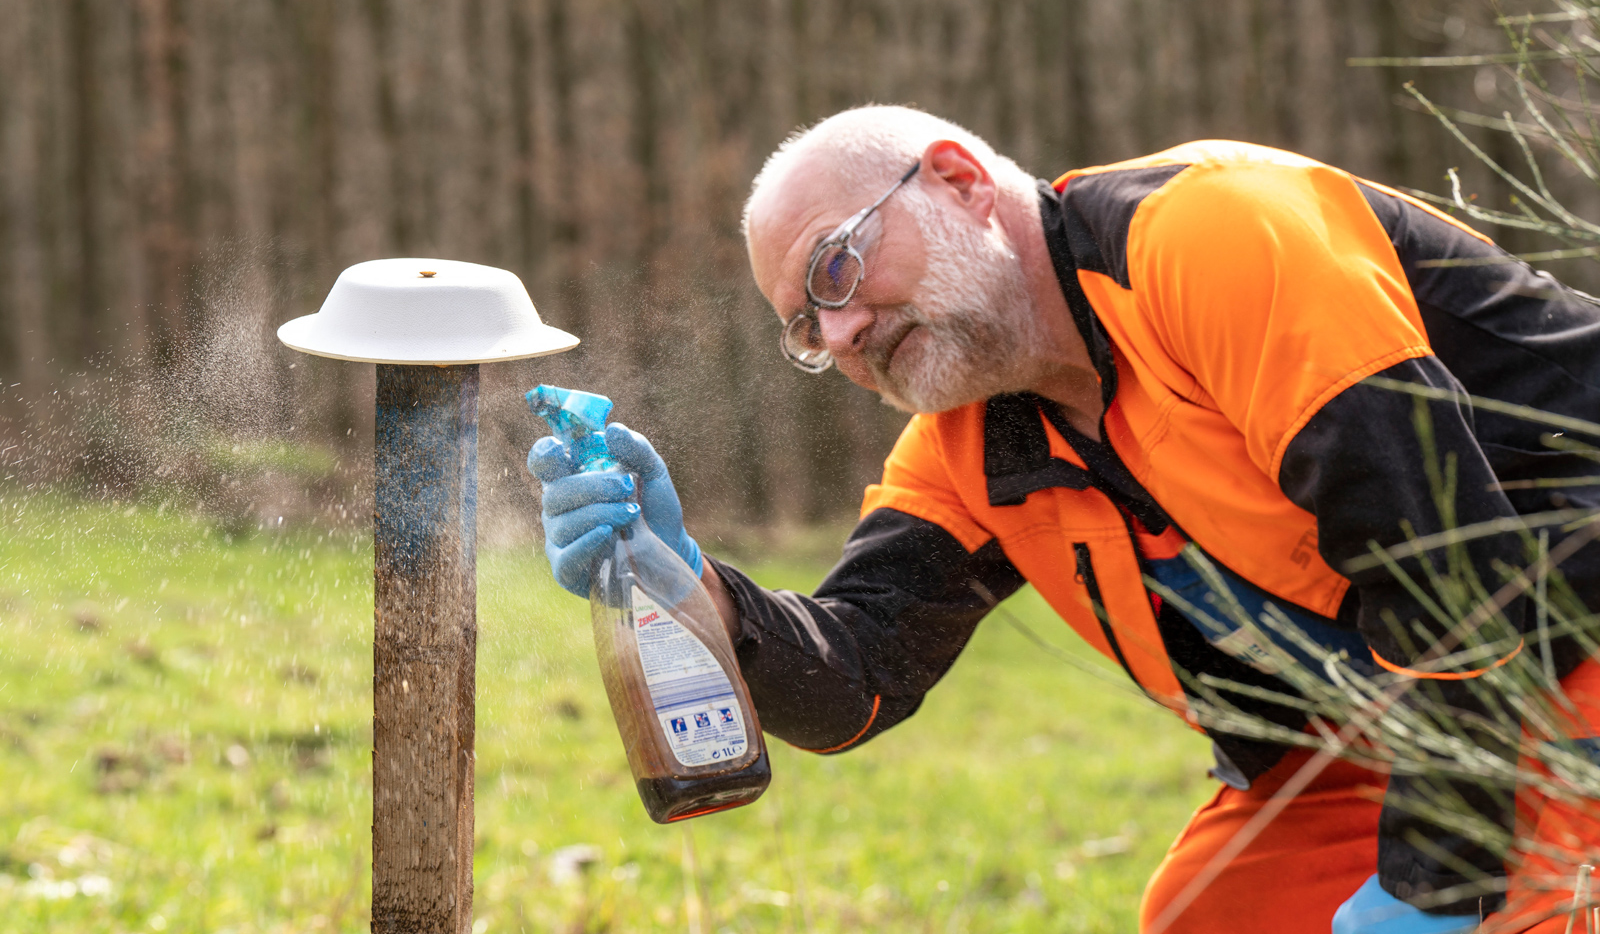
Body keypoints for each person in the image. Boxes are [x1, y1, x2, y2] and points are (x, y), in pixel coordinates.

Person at [529, 106, 1600, 933]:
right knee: (1216, 911)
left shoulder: (1217, 235)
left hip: (1549, 630)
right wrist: (690, 586)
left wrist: (1431, 890)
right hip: (1407, 707)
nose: (844, 333)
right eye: (808, 328)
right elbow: (854, 678)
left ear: (955, 180)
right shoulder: (968, 440)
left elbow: (1451, 578)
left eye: (836, 267)